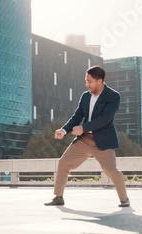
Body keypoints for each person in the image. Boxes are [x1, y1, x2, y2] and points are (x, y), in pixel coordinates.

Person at [44, 66, 129, 207]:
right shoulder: (85, 96)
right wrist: (64, 130)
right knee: (63, 163)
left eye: (90, 81)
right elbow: (77, 116)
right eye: (86, 81)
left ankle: (124, 199)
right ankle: (58, 197)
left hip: (103, 140)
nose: (87, 84)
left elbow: (105, 118)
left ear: (100, 81)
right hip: (84, 140)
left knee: (111, 170)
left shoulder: (113, 96)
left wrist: (83, 127)